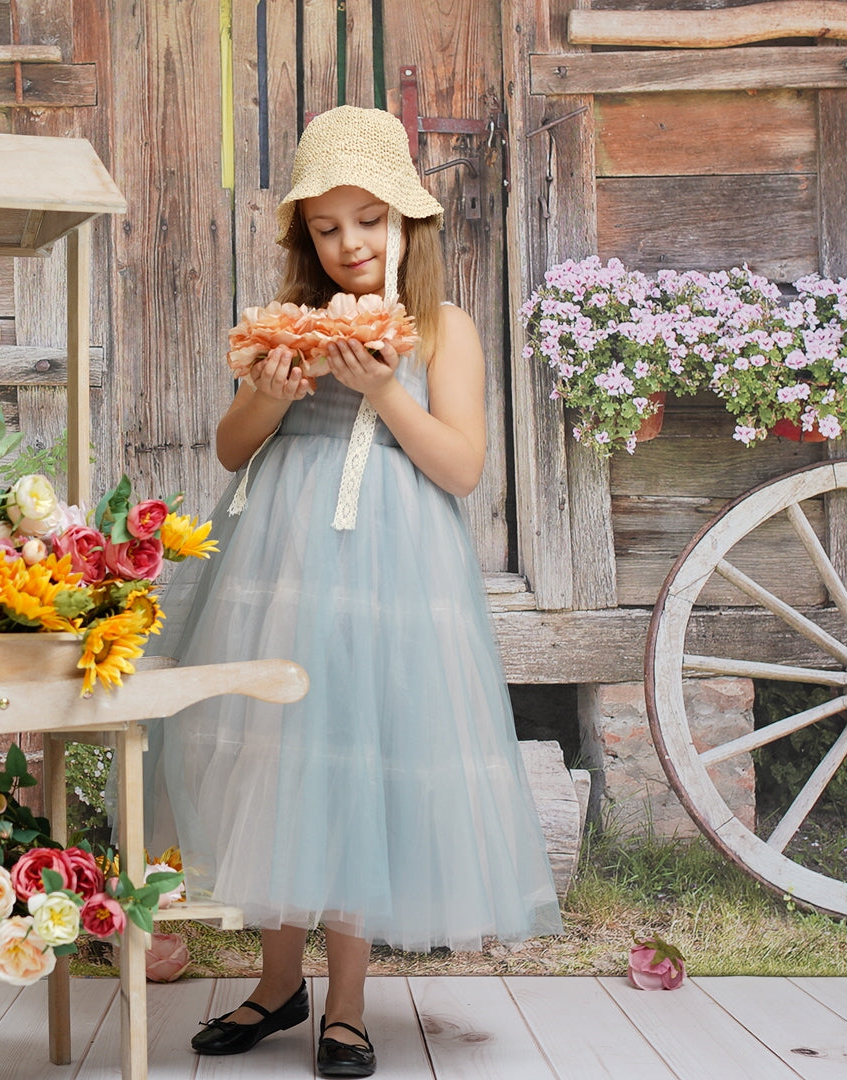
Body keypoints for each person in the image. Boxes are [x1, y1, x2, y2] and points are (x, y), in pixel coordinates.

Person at [145, 105, 562, 1079]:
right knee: (274, 753)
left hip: (388, 568)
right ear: (305, 237)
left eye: (367, 221)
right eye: (326, 227)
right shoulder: (282, 321)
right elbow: (232, 450)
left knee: (358, 756)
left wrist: (382, 388)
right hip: (276, 564)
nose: (349, 244)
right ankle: (274, 983)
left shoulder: (443, 329)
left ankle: (345, 1003)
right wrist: (270, 389)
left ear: (407, 220)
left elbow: (460, 467)